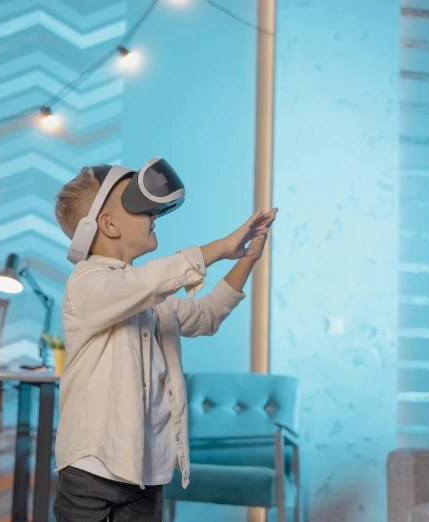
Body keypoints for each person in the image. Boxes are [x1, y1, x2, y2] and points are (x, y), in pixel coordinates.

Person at [52, 161, 278, 522]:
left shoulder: (153, 303)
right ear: (108, 225)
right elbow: (145, 284)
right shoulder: (86, 283)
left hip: (146, 470)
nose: (154, 214)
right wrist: (218, 247)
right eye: (141, 207)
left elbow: (207, 315)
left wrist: (247, 259)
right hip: (90, 467)